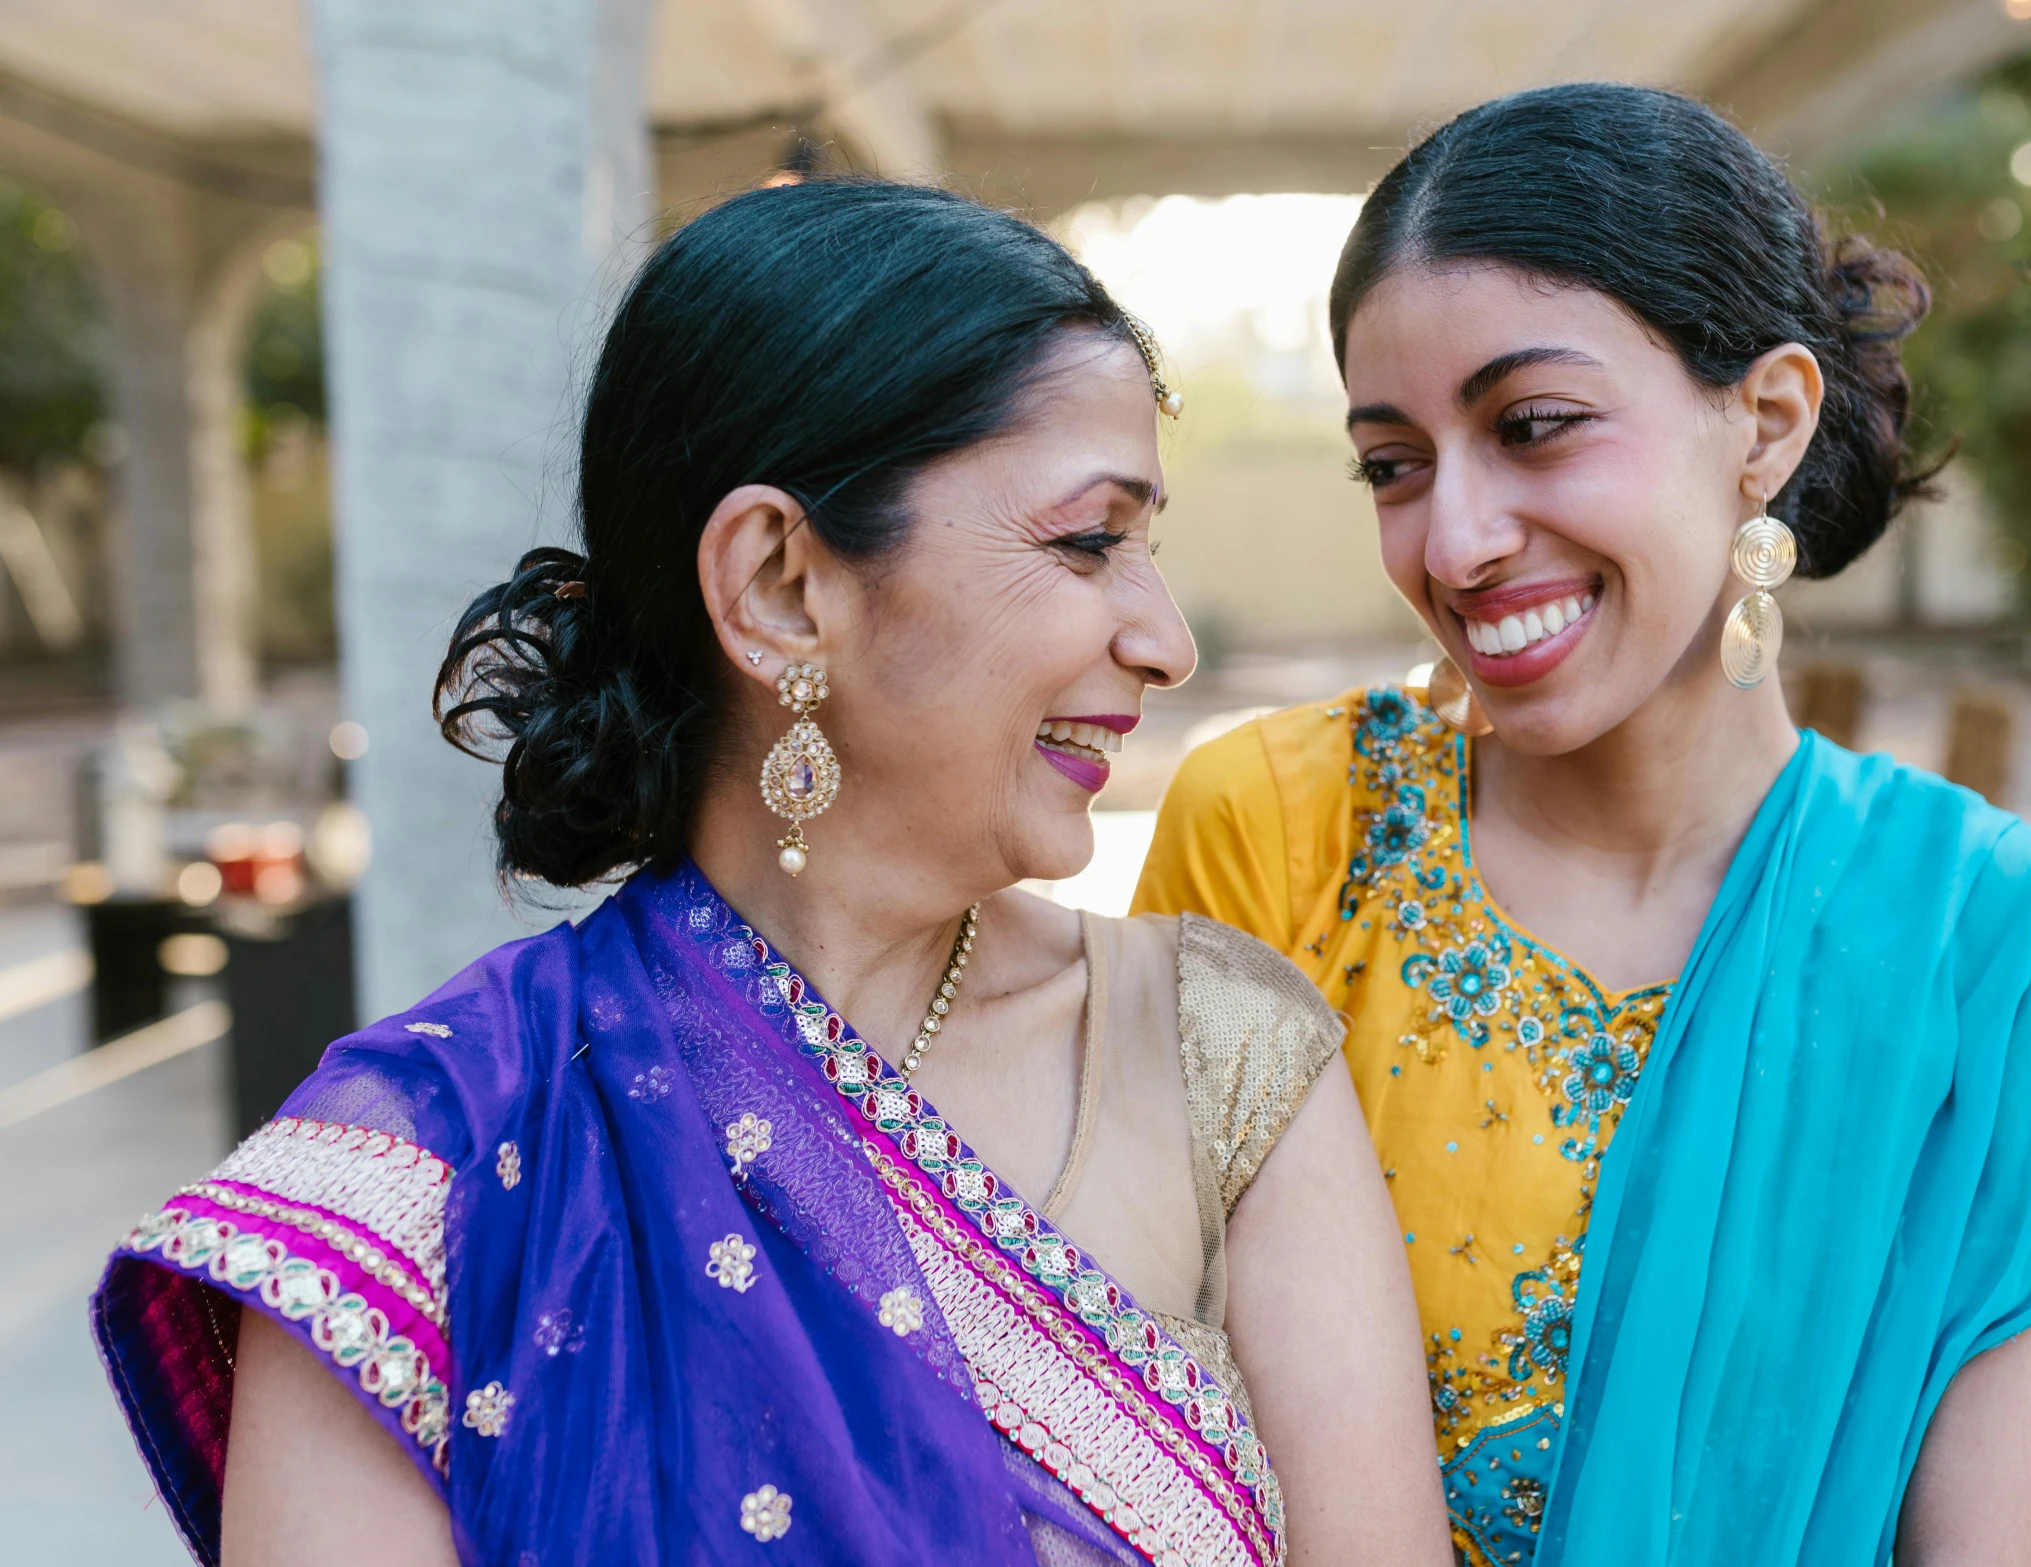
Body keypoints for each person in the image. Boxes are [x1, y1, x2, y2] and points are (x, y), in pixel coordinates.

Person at [92, 180, 1452, 1567]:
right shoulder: (417, 1178)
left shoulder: (1222, 1059)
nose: (1164, 640)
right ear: (780, 583)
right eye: (1088, 540)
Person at [1132, 84, 2031, 1567]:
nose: (1451, 541)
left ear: (1765, 424)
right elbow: (1133, 1431)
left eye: (1533, 427)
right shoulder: (1276, 833)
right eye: (1391, 464)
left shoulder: (1995, 961)